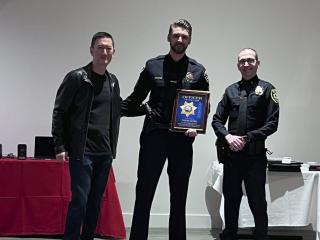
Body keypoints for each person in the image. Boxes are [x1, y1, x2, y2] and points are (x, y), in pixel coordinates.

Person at [121, 19, 209, 240]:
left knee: (179, 197)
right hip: (154, 137)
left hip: (182, 141)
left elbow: (203, 107)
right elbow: (134, 100)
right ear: (168, 37)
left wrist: (196, 128)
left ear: (190, 40)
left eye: (184, 37)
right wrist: (111, 109)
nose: (180, 40)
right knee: (144, 193)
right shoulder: (152, 65)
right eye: (176, 35)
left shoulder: (198, 71)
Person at [51, 32, 121, 240]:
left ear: (113, 52)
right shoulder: (77, 78)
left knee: (94, 204)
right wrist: (59, 146)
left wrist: (147, 108)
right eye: (100, 47)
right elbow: (59, 112)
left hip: (105, 153)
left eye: (108, 48)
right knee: (80, 202)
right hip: (83, 153)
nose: (104, 52)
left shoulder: (113, 81)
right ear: (91, 50)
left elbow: (118, 109)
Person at [212, 48, 280, 240]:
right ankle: (229, 235)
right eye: (242, 61)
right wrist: (227, 137)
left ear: (258, 63)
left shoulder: (268, 89)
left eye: (250, 60)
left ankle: (261, 236)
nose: (246, 64)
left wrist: (248, 138)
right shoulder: (230, 90)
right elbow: (217, 120)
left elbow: (272, 123)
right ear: (237, 65)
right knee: (231, 200)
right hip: (232, 156)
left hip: (255, 157)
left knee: (257, 201)